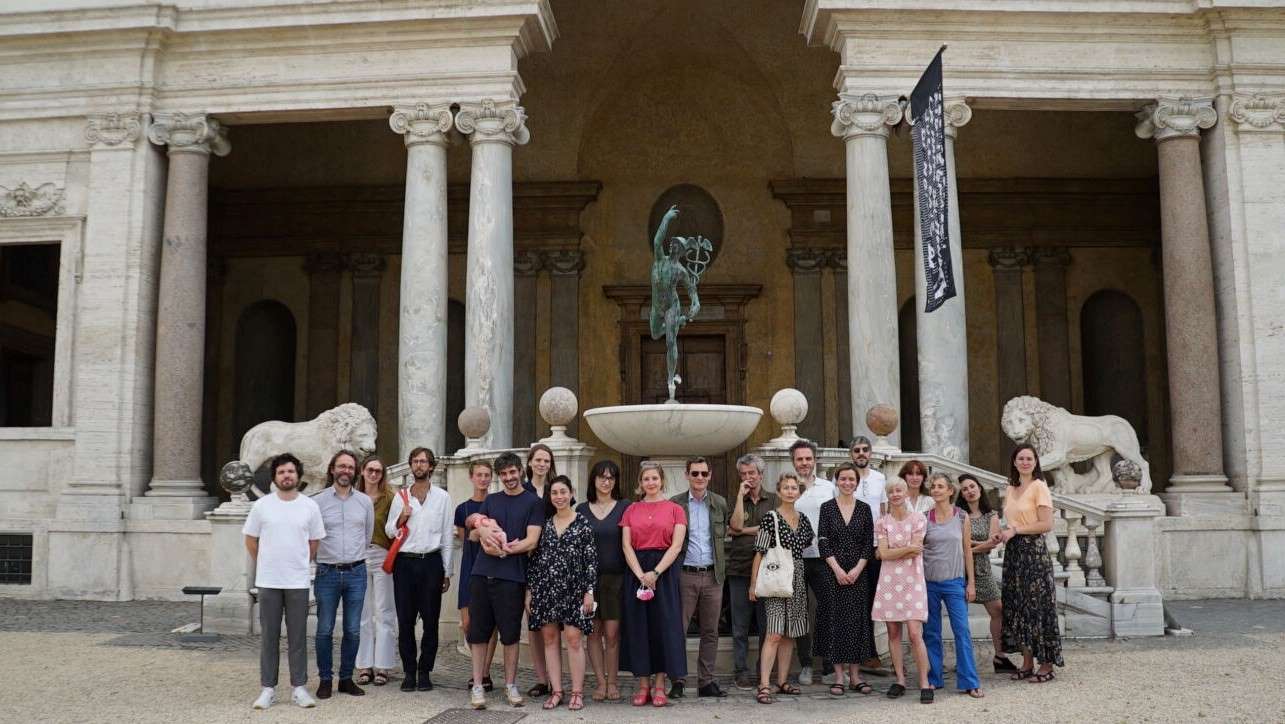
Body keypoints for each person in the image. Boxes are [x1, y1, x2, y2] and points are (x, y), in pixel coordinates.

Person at [244, 453, 325, 710]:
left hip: (297, 581)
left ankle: (299, 687)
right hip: (268, 580)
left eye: (290, 471)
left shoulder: (309, 506)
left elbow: (314, 542)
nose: (286, 476)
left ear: (298, 475)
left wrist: (299, 561)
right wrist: (267, 561)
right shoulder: (262, 506)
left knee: (298, 637)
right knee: (269, 636)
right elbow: (250, 539)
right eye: (281, 472)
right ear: (275, 477)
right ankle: (268, 688)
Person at [467, 452, 544, 710]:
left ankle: (511, 684)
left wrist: (505, 549)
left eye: (513, 472)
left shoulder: (533, 502)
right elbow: (473, 535)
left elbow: (532, 540)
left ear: (521, 471)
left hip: (512, 576)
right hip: (481, 573)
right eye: (504, 474)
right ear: (499, 477)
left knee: (510, 635)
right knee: (478, 633)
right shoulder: (491, 499)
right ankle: (478, 685)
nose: (509, 478)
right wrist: (483, 530)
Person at [619, 461, 688, 707]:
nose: (650, 483)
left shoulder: (675, 509)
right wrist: (641, 575)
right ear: (640, 483)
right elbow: (626, 545)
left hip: (664, 573)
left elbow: (677, 545)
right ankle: (643, 685)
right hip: (636, 570)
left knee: (663, 628)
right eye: (646, 479)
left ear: (662, 481)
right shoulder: (630, 509)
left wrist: (655, 573)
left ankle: (660, 685)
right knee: (639, 628)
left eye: (654, 479)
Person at [527, 476, 598, 712]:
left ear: (571, 493)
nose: (559, 496)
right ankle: (557, 690)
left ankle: (577, 692)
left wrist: (589, 592)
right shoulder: (545, 525)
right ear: (550, 496)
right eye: (554, 492)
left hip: (574, 590)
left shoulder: (582, 523)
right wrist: (531, 592)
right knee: (549, 639)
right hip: (547, 590)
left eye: (563, 492)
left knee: (574, 639)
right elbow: (535, 562)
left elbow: (590, 561)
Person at [385, 447, 453, 692]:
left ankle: (425, 671)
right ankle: (409, 672)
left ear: (431, 466)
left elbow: (446, 535)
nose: (419, 465)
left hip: (431, 563)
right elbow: (389, 531)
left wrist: (447, 571)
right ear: (411, 466)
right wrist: (401, 518)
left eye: (424, 461)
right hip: (405, 563)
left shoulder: (442, 498)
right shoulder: (401, 496)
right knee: (405, 621)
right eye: (415, 461)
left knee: (431, 621)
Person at [998, 443, 1064, 683]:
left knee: (1037, 607)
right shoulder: (1011, 488)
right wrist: (1005, 533)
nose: (1025, 462)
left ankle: (1046, 665)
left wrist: (1015, 530)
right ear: (1014, 462)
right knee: (1018, 607)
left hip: (1033, 552)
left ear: (1036, 462)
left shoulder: (1039, 487)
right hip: (1014, 552)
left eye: (1030, 458)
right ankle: (1026, 663)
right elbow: (1014, 522)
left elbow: (1046, 524)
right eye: (1021, 458)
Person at [312, 450, 375, 699]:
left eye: (350, 467)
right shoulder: (318, 502)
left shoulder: (364, 502)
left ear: (355, 471)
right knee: (324, 629)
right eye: (341, 466)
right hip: (327, 572)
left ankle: (346, 679)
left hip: (356, 572)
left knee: (353, 629)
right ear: (332, 469)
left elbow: (367, 535)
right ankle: (325, 679)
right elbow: (313, 537)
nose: (346, 471)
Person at [749, 473, 813, 705]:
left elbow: (806, 545)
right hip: (776, 579)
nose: (789, 491)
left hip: (796, 579)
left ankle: (782, 681)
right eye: (785, 487)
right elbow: (759, 552)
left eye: (793, 487)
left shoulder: (804, 519)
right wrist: (753, 584)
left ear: (799, 492)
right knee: (774, 633)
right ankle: (764, 684)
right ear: (778, 492)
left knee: (789, 634)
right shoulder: (770, 518)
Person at [668, 457, 729, 699]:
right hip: (685, 574)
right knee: (678, 630)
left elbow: (723, 533)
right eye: (695, 473)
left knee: (710, 631)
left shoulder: (719, 503)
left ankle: (706, 682)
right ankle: (678, 680)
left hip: (713, 575)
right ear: (687, 475)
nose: (700, 478)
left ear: (710, 475)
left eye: (704, 473)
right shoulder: (676, 504)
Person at [816, 462, 877, 697]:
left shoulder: (864, 509)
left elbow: (867, 543)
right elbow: (823, 541)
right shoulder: (827, 508)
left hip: (858, 575)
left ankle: (855, 676)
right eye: (843, 479)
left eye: (852, 479)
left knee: (856, 624)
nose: (848, 483)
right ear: (836, 481)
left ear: (857, 482)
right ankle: (839, 677)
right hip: (833, 574)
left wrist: (857, 570)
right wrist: (838, 570)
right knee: (835, 623)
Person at [922, 472, 983, 699]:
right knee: (931, 633)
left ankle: (969, 681)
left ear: (950, 491)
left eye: (940, 486)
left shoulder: (961, 517)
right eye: (933, 486)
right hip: (929, 583)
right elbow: (919, 551)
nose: (936, 490)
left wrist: (971, 583)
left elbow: (967, 550)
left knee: (962, 631)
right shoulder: (924, 517)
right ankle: (933, 678)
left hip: (955, 582)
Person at [873, 478, 931, 703]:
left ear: (907, 493)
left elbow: (895, 553)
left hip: (913, 580)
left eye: (899, 490)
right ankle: (899, 679)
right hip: (888, 582)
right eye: (891, 491)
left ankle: (924, 681)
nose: (895, 494)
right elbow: (884, 554)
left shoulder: (918, 519)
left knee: (915, 633)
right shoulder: (882, 522)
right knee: (893, 633)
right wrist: (907, 548)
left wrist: (892, 551)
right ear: (887, 495)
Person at [577, 459, 629, 702]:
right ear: (593, 480)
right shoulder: (581, 510)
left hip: (616, 579)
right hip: (588, 582)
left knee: (612, 634)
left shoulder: (625, 507)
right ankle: (599, 682)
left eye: (611, 477)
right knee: (593, 633)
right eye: (601, 477)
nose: (606, 481)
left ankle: (613, 682)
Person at [728, 453, 776, 690]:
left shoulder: (774, 500)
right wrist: (739, 496)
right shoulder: (736, 500)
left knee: (767, 625)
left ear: (761, 474)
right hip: (739, 570)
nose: (748, 478)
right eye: (744, 474)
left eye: (752, 473)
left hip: (769, 572)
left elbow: (776, 529)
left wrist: (742, 531)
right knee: (740, 627)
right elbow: (734, 526)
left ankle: (763, 670)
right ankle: (741, 671)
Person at [959, 472, 1014, 673]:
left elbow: (991, 545)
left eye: (972, 486)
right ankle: (963, 659)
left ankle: (1000, 657)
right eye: (965, 489)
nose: (969, 491)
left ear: (979, 488)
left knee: (998, 610)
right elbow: (958, 540)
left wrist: (968, 548)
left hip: (982, 569)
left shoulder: (992, 516)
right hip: (959, 569)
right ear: (962, 494)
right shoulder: (959, 514)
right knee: (959, 615)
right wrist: (978, 544)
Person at [790, 438, 833, 686]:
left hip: (823, 558)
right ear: (793, 462)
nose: (804, 463)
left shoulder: (828, 487)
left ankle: (828, 665)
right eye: (799, 459)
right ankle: (806, 664)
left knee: (827, 611)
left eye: (808, 458)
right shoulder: (788, 488)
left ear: (814, 460)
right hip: (796, 559)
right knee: (800, 612)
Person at [454, 460, 497, 693]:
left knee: (490, 625)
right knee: (469, 623)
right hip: (470, 567)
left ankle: (483, 674)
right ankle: (477, 668)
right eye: (479, 475)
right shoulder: (463, 509)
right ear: (471, 477)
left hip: (492, 569)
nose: (483, 479)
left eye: (486, 475)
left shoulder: (496, 504)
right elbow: (464, 540)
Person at [355, 455, 397, 687]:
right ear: (362, 471)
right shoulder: (353, 497)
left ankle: (383, 665)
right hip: (358, 556)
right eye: (370, 470)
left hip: (382, 555)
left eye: (378, 471)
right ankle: (364, 664)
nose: (373, 474)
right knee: (362, 613)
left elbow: (396, 529)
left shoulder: (390, 498)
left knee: (384, 610)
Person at [849, 436, 889, 676]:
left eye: (865, 450)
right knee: (855, 601)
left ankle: (871, 651)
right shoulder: (843, 478)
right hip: (851, 548)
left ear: (871, 453)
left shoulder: (880, 478)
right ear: (851, 454)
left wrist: (882, 544)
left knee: (873, 600)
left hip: (874, 548)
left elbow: (883, 513)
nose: (861, 453)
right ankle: (857, 652)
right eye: (856, 450)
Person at [521, 443, 557, 698]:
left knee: (553, 623)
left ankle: (556, 678)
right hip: (527, 560)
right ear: (530, 462)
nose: (542, 464)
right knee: (533, 621)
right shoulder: (521, 491)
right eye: (538, 460)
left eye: (546, 460)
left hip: (554, 562)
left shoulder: (557, 491)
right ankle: (541, 679)